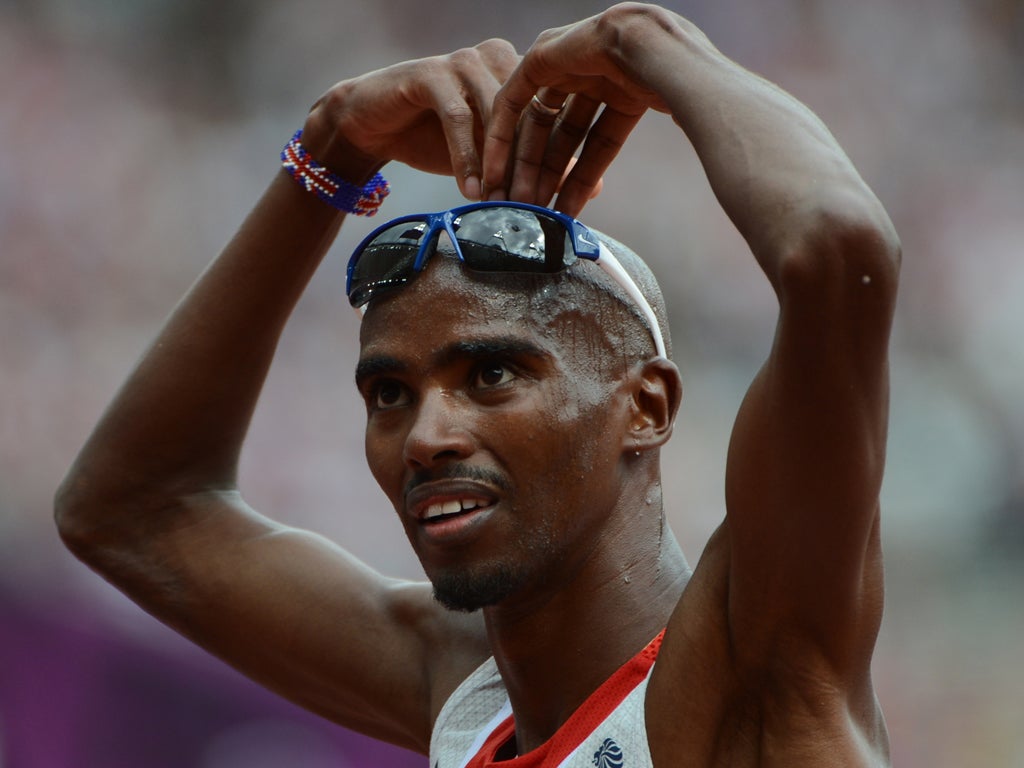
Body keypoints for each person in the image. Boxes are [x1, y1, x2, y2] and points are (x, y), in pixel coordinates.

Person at [55, 4, 900, 766]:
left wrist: (644, 41)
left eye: (493, 374)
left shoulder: (756, 669)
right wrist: (331, 150)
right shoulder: (467, 696)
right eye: (389, 393)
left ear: (646, 408)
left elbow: (840, 252)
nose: (426, 436)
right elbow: (131, 516)